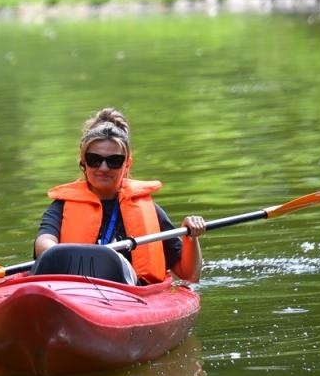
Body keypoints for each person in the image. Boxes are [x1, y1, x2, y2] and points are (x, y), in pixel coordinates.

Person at [34, 107, 206, 284]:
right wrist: (67, 256)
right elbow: (44, 244)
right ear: (84, 162)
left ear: (127, 164)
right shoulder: (61, 206)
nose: (103, 168)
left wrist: (191, 237)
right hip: (75, 288)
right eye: (94, 159)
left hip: (131, 291)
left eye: (114, 161)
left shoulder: (149, 210)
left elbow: (190, 275)